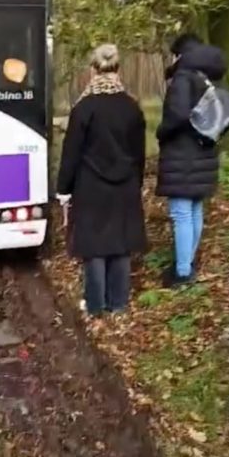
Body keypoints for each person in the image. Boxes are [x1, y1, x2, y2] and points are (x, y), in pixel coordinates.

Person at [57, 44, 148, 316]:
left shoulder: (84, 108)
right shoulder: (132, 107)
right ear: (118, 70)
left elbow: (71, 152)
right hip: (125, 185)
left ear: (92, 71)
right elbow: (139, 152)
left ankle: (96, 305)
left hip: (91, 186)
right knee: (120, 245)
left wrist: (64, 189)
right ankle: (118, 303)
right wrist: (138, 181)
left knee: (94, 246)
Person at [155, 34, 228, 287]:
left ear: (180, 54)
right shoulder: (205, 79)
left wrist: (161, 132)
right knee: (194, 210)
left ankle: (183, 272)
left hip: (182, 156)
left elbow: (176, 116)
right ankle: (188, 262)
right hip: (203, 154)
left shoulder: (183, 79)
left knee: (181, 214)